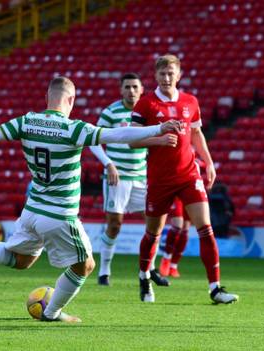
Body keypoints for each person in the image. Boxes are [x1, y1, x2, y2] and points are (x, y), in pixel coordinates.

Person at [0, 76, 181, 322]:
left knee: (22, 260)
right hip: (59, 214)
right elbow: (118, 135)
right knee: (86, 265)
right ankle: (52, 313)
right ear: (71, 100)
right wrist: (159, 127)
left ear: (47, 97)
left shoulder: (26, 122)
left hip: (32, 210)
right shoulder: (73, 128)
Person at [130, 54, 239, 304]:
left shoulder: (190, 101)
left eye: (171, 74)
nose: (167, 78)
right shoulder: (146, 104)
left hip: (189, 174)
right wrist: (158, 139)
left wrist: (209, 162)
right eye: (162, 74)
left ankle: (215, 288)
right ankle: (145, 276)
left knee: (205, 228)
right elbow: (132, 140)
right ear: (155, 76)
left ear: (179, 75)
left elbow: (197, 133)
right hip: (159, 179)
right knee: (153, 232)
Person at [88, 73, 173, 287]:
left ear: (142, 88)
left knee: (153, 224)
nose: (131, 91)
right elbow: (93, 140)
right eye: (127, 87)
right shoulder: (111, 112)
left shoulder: (148, 109)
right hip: (118, 177)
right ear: (121, 90)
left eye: (135, 87)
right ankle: (104, 271)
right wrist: (108, 163)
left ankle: (149, 268)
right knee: (114, 224)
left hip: (143, 176)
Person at [159, 197, 190, 278]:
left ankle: (173, 265)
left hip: (190, 192)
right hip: (176, 193)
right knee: (177, 226)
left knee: (185, 229)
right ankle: (166, 258)